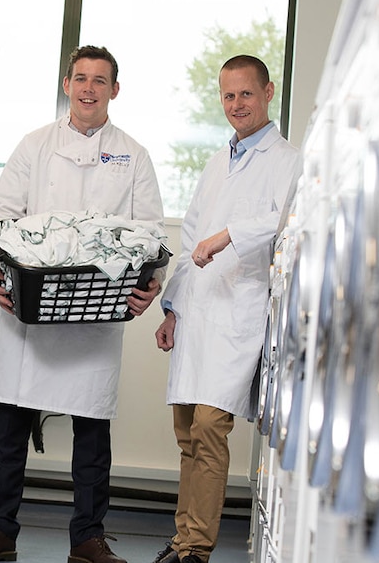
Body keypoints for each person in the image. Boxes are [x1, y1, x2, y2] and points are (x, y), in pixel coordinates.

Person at [0, 45, 165, 563]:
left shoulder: (133, 154)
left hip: (96, 307)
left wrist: (151, 283)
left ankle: (88, 538)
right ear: (66, 85)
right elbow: (1, 217)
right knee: (11, 424)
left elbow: (149, 231)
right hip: (32, 303)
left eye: (100, 80)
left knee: (92, 429)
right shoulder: (35, 145)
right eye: (80, 79)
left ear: (115, 90)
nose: (89, 88)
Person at [152, 55, 302, 563]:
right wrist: (171, 306)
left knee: (212, 429)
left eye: (246, 94)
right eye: (228, 96)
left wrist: (229, 235)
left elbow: (279, 220)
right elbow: (191, 232)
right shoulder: (219, 161)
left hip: (238, 313)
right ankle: (181, 538)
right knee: (187, 433)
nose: (237, 104)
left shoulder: (289, 160)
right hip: (197, 312)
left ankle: (196, 547)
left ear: (268, 92)